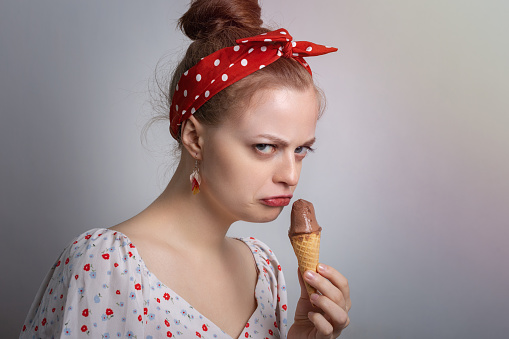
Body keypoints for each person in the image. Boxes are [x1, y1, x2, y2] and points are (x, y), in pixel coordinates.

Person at [20, 0, 351, 338]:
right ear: (194, 137)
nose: (291, 176)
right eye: (265, 146)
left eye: (301, 150)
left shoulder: (263, 270)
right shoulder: (105, 265)